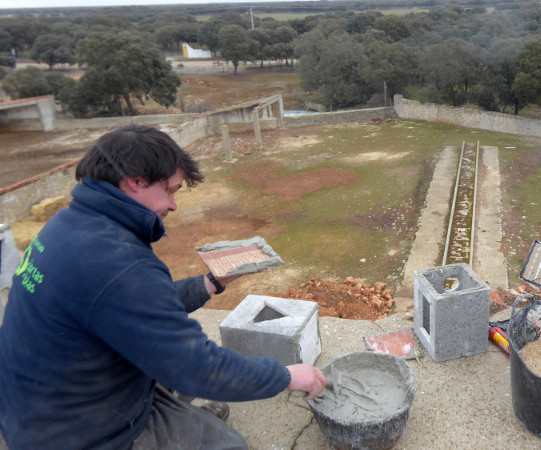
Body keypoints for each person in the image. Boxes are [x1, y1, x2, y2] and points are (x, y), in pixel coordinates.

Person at [0, 125, 327, 449]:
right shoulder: (119, 263)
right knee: (229, 444)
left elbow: (131, 307)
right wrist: (286, 376)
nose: (173, 205)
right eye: (170, 190)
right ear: (136, 181)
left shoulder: (67, 225)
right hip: (79, 433)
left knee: (172, 361)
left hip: (40, 403)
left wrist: (211, 283)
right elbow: (197, 368)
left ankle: (178, 417)